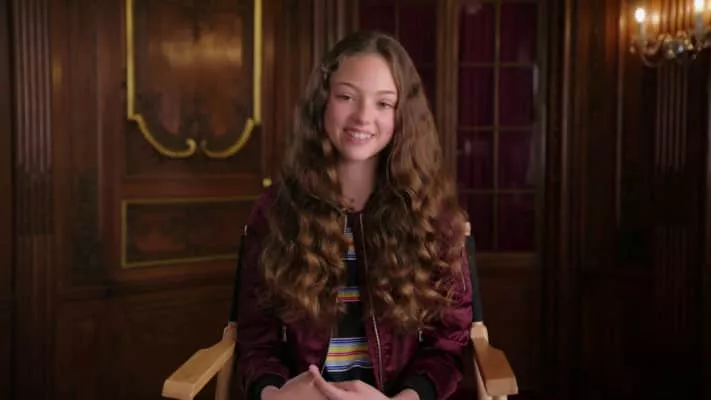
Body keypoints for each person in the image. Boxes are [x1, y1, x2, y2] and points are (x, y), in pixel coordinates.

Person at [236, 31, 473, 400]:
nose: (363, 116)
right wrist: (274, 396)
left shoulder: (434, 217)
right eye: (346, 97)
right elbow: (255, 341)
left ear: (402, 115)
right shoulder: (275, 211)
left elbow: (448, 345)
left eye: (384, 103)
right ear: (323, 101)